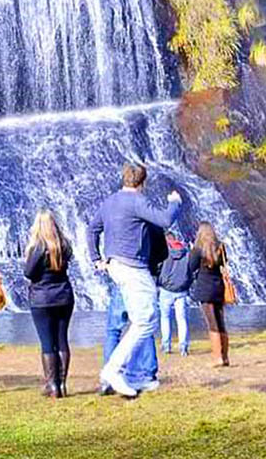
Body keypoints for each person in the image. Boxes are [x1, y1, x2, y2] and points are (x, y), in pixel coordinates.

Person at [89, 164, 181, 398]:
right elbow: (165, 220)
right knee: (144, 322)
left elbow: (92, 230)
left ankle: (136, 376)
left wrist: (96, 259)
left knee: (141, 320)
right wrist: (175, 202)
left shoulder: (110, 201)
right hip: (133, 266)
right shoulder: (137, 201)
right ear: (143, 182)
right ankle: (114, 370)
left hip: (116, 266)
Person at [23, 209, 74, 398]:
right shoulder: (64, 245)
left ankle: (52, 385)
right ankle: (62, 384)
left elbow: (28, 273)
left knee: (47, 342)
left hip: (42, 299)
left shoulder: (37, 247)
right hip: (64, 296)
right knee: (62, 339)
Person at [101, 277, 159, 394]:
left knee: (113, 331)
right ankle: (146, 374)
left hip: (121, 283)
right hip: (142, 283)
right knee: (145, 328)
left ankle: (109, 378)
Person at [189, 221, 230, 368]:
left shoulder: (198, 249)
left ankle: (217, 358)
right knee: (221, 322)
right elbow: (224, 265)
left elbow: (191, 267)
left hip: (204, 289)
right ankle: (225, 357)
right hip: (218, 287)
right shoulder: (221, 247)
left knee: (212, 324)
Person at [158, 230, 194, 355]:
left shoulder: (163, 252)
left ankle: (166, 346)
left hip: (166, 289)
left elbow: (157, 268)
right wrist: (187, 284)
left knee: (165, 318)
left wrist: (159, 281)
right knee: (182, 319)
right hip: (182, 290)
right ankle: (183, 347)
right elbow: (191, 271)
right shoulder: (187, 253)